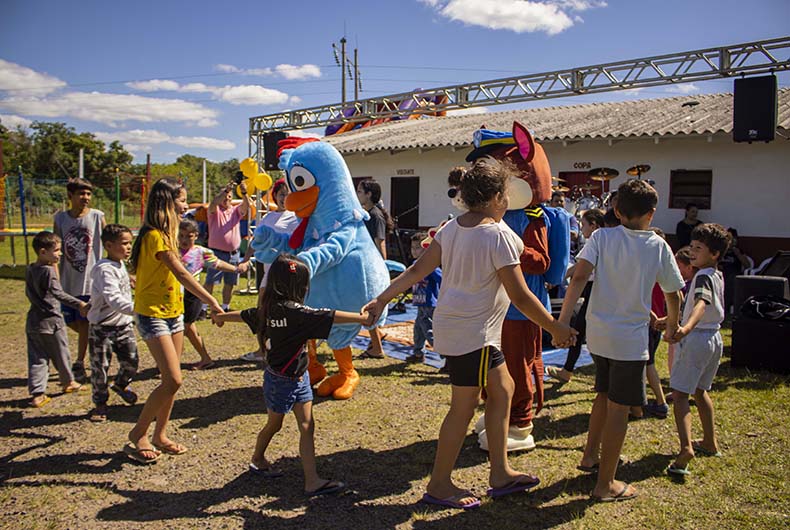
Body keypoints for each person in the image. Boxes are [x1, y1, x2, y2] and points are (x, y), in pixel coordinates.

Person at [364, 158, 575, 509]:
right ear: (496, 197)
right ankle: (440, 485)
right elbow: (521, 296)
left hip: (464, 329)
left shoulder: (452, 228)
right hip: (473, 334)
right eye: (506, 194)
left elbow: (416, 269)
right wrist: (554, 327)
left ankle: (500, 472)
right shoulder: (499, 236)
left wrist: (382, 298)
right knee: (462, 409)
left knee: (503, 389)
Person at [559, 179, 684, 502]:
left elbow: (579, 276)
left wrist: (563, 320)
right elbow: (674, 293)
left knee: (602, 394)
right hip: (629, 341)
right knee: (619, 409)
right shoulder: (658, 246)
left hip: (599, 335)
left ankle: (590, 456)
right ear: (652, 213)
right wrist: (672, 325)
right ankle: (606, 484)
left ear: (616, 210)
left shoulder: (601, 237)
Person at [211, 254, 372, 496]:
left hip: (295, 378)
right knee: (275, 425)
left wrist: (221, 317)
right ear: (297, 286)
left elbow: (244, 315)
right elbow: (330, 315)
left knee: (306, 426)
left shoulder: (268, 310)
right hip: (283, 381)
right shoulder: (297, 313)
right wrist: (363, 319)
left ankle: (312, 481)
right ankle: (257, 459)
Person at [126, 178, 224, 465]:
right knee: (173, 379)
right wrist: (212, 301)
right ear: (167, 202)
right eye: (182, 199)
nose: (186, 205)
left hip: (173, 313)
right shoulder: (155, 236)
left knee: (171, 383)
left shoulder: (169, 234)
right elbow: (181, 273)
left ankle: (160, 435)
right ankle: (138, 434)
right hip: (153, 314)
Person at [666, 223, 730, 475]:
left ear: (714, 253)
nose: (692, 252)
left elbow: (701, 304)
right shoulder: (716, 274)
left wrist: (686, 328)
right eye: (691, 246)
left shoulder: (702, 276)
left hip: (697, 339)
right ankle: (710, 442)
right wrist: (673, 320)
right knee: (701, 391)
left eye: (698, 248)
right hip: (714, 338)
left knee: (680, 395)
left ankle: (686, 448)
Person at [238, 178, 300, 362]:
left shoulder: (297, 217)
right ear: (275, 196)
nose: (284, 198)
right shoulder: (267, 218)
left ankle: (292, 351)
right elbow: (255, 241)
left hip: (289, 272)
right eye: (281, 194)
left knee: (290, 312)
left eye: (288, 194)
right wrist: (245, 259)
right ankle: (262, 350)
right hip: (269, 271)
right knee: (262, 310)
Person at [25, 231, 87, 408]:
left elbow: (28, 293)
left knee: (37, 358)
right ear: (43, 252)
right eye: (57, 250)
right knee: (61, 353)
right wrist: (79, 304)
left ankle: (37, 393)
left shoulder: (30, 269)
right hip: (52, 321)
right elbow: (58, 293)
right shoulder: (48, 271)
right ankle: (68, 382)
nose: (60, 254)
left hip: (33, 321)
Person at [53, 178, 105, 383]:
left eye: (88, 194)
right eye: (81, 194)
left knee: (84, 322)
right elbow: (55, 248)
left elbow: (109, 242)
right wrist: (55, 276)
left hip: (90, 281)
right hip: (68, 280)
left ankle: (79, 362)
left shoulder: (97, 217)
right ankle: (98, 338)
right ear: (70, 196)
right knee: (72, 321)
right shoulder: (60, 219)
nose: (85, 198)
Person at [86, 224, 139, 422]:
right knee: (100, 367)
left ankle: (120, 385)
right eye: (124, 243)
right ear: (108, 245)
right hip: (102, 328)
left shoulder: (119, 263)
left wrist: (130, 280)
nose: (128, 247)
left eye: (130, 243)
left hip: (124, 326)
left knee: (132, 361)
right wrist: (139, 309)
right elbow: (113, 298)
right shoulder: (104, 270)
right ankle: (100, 404)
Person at [546, 208, 605, 383]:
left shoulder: (597, 241)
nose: (581, 228)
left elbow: (579, 271)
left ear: (593, 225)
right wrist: (558, 279)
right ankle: (569, 370)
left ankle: (569, 370)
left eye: (584, 225)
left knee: (580, 330)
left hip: (595, 290)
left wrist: (557, 279)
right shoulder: (601, 240)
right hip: (595, 290)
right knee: (582, 330)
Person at [178, 218, 241, 370]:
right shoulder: (172, 251)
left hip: (193, 294)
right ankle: (203, 359)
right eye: (181, 236)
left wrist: (236, 269)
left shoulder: (200, 252)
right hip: (175, 294)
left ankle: (175, 363)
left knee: (184, 327)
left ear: (196, 235)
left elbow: (217, 263)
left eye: (189, 236)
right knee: (185, 328)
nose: (184, 240)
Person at [356, 179, 393, 359]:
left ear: (369, 194)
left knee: (369, 305)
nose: (357, 194)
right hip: (366, 262)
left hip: (372, 266)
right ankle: (377, 338)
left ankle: (377, 348)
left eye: (360, 191)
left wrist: (382, 267)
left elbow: (380, 242)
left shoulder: (375, 216)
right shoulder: (366, 214)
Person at [204, 178, 253, 311]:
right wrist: (226, 191)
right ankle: (203, 307)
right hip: (216, 253)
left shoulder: (235, 211)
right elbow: (214, 202)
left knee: (230, 283)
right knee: (210, 281)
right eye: (224, 196)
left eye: (229, 196)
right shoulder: (214, 211)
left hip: (233, 254)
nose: (227, 198)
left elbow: (247, 205)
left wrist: (244, 193)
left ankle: (225, 307)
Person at [643, 227, 670, 419]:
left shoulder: (649, 269)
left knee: (648, 363)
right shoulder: (665, 268)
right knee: (646, 363)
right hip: (656, 321)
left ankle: (660, 403)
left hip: (649, 321)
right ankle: (640, 402)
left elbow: (640, 297)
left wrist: (654, 317)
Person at [405, 232, 441, 364]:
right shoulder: (416, 264)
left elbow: (442, 278)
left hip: (429, 304)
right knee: (418, 330)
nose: (414, 251)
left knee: (429, 331)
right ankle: (418, 353)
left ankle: (446, 357)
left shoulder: (429, 265)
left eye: (417, 248)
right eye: (412, 247)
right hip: (420, 303)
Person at [719, 227, 752, 315]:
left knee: (731, 280)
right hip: (721, 273)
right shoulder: (721, 251)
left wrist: (738, 254)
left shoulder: (738, 251)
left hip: (733, 274)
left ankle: (726, 307)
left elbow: (748, 265)